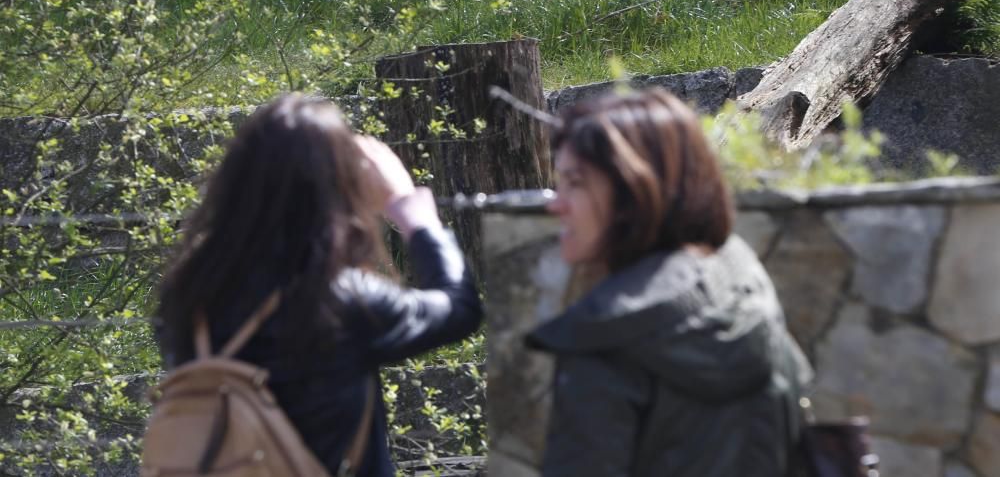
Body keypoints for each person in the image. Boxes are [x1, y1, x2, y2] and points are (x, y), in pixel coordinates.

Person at [155, 93, 482, 476]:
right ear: (334, 191)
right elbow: (460, 309)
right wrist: (414, 214)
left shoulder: (187, 293)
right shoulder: (341, 300)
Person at [527, 87, 813, 477]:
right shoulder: (739, 273)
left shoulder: (607, 335)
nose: (555, 204)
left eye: (575, 183)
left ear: (634, 190)